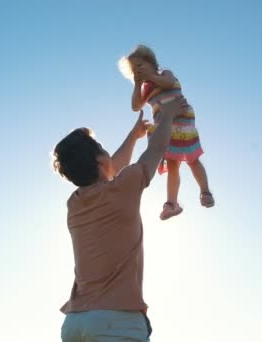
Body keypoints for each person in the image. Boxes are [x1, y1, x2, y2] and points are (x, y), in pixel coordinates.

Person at [52, 97, 189, 341]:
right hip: (116, 321)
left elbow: (111, 168)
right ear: (100, 160)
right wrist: (167, 116)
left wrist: (134, 135)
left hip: (75, 323)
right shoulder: (123, 187)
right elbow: (156, 150)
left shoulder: (74, 203)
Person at [118, 44, 215, 220]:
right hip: (166, 125)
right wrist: (138, 83)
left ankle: (205, 191)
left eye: (140, 66)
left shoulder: (164, 74)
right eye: (134, 70)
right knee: (172, 165)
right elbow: (135, 106)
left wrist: (151, 76)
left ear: (152, 63)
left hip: (182, 118)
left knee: (192, 159)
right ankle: (171, 203)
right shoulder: (146, 89)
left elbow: (169, 83)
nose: (138, 71)